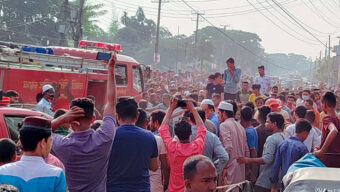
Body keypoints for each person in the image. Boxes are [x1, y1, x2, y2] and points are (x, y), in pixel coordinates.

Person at [51, 53, 117, 191]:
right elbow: (111, 102)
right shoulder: (104, 137)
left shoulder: (62, 144)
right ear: (93, 118)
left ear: (71, 121)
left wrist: (62, 118)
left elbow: (42, 131)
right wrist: (110, 69)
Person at [0, 116, 66, 192]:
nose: (51, 145)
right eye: (50, 141)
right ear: (43, 143)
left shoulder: (2, 171)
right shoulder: (56, 174)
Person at [107, 98, 158, 191]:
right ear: (137, 116)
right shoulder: (149, 136)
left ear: (117, 116)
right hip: (141, 188)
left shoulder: (109, 136)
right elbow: (154, 167)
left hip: (114, 188)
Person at [159, 99, 206, 192]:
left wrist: (170, 109)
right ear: (191, 133)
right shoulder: (196, 147)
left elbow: (163, 128)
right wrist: (193, 109)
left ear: (175, 134)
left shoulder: (172, 147)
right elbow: (202, 128)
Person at [238, 112, 285, 192]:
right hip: (276, 179)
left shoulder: (272, 139)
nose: (265, 124)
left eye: (267, 122)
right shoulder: (283, 136)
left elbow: (267, 159)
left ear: (274, 124)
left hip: (266, 180)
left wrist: (248, 160)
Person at [270, 120, 311, 191]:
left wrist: (273, 186)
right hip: (296, 186)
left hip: (284, 184)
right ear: (305, 133)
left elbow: (276, 167)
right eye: (307, 134)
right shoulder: (302, 148)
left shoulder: (282, 144)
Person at [186, 109, 229, 175]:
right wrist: (214, 170)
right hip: (206, 175)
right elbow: (224, 157)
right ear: (204, 120)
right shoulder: (212, 137)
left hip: (188, 175)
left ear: (190, 119)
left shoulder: (183, 134)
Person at [218, 101, 249, 189]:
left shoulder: (224, 125)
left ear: (223, 113)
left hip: (229, 168)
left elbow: (228, 148)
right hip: (240, 167)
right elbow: (246, 151)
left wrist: (224, 167)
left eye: (218, 113)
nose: (218, 116)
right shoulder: (241, 127)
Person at [314, 92, 340, 168]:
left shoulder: (327, 118)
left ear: (324, 104)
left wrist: (321, 151)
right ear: (335, 105)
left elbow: (334, 131)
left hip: (328, 159)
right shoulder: (338, 119)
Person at [240, 106, 258, 182]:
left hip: (249, 164)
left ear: (241, 117)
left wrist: (250, 169)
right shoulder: (252, 129)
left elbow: (252, 151)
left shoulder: (248, 132)